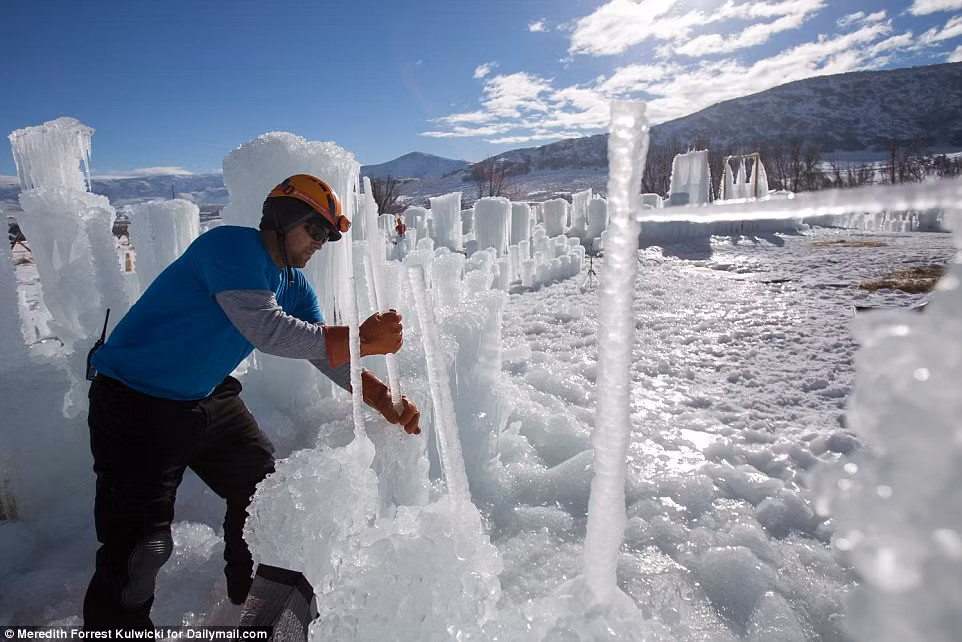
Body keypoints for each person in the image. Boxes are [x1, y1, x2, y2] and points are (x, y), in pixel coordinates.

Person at [82, 174, 420, 629]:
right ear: (281, 220)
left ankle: (250, 609)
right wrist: (360, 337)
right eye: (316, 229)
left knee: (263, 495)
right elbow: (269, 332)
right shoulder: (230, 248)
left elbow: (324, 354)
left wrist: (382, 399)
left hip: (207, 396)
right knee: (140, 550)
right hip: (135, 403)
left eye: (329, 236)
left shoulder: (295, 286)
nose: (321, 243)